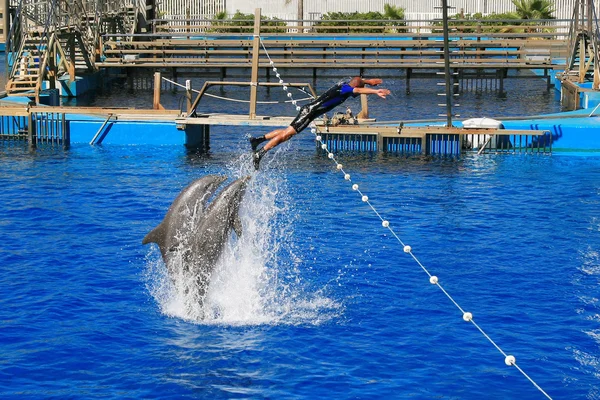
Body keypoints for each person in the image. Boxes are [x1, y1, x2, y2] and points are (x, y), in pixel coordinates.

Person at [249, 76, 391, 170]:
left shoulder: (344, 82)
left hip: (309, 111)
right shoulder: (345, 89)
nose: (355, 96)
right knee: (286, 135)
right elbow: (358, 88)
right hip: (310, 113)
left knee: (288, 132)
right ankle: (260, 153)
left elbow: (358, 81)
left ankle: (258, 140)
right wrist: (376, 91)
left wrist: (369, 81)